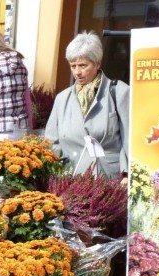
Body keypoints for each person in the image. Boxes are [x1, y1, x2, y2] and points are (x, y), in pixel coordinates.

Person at [44, 31, 129, 178]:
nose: (77, 72)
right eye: (73, 66)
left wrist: (126, 174)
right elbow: (51, 143)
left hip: (109, 178)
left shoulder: (118, 91)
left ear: (97, 63)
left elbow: (129, 138)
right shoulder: (62, 99)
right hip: (71, 177)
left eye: (83, 65)